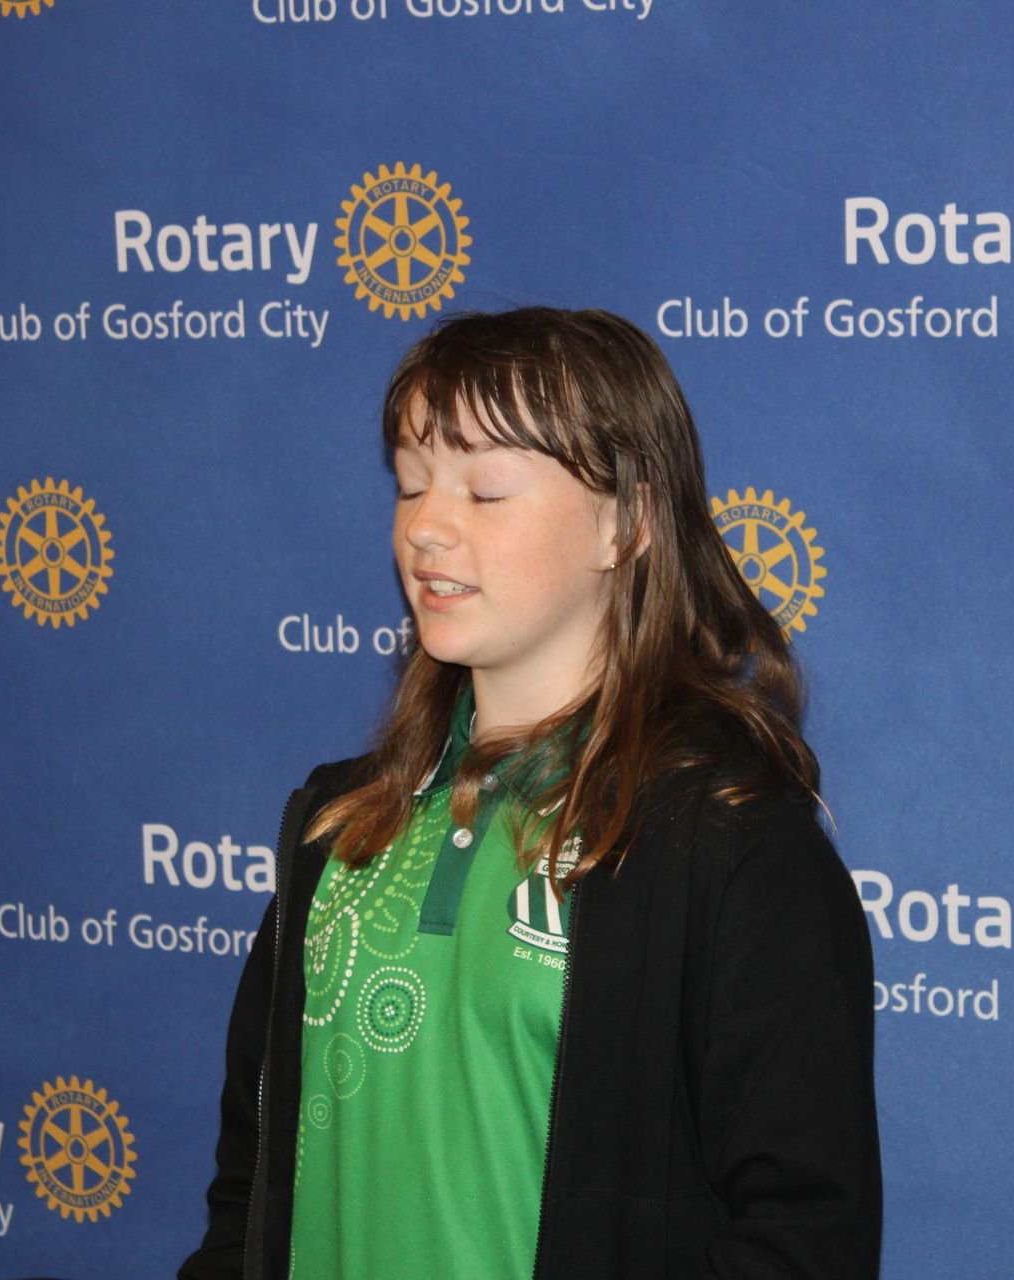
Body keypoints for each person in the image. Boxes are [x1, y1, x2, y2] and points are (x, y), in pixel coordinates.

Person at [179, 307, 881, 1280]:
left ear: (626, 522)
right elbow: (250, 1177)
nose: (426, 525)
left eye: (486, 490)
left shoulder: (730, 846)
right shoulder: (338, 827)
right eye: (412, 483)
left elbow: (804, 1233)